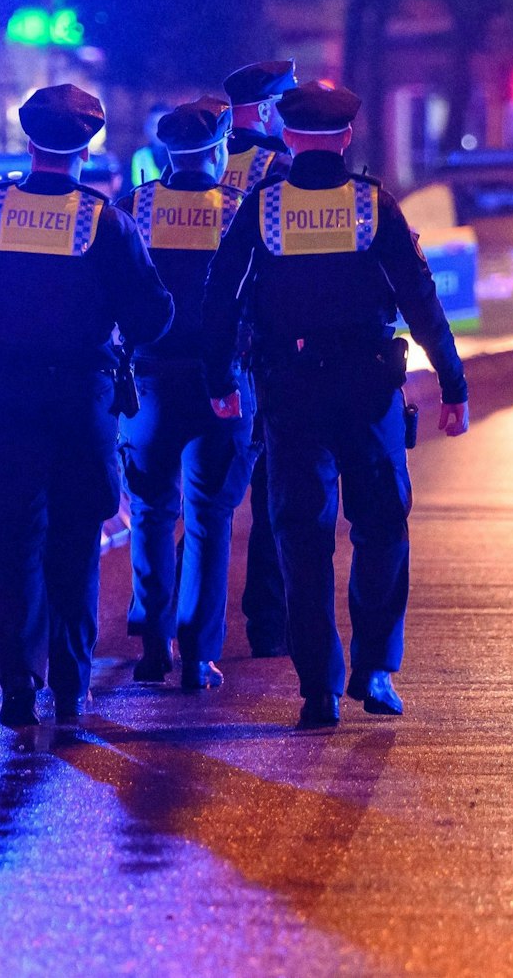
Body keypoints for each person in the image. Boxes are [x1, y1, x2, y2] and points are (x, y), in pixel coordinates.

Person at [201, 82, 469, 729]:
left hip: (289, 391)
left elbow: (220, 298)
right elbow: (420, 298)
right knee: (381, 525)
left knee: (301, 535)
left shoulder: (263, 209)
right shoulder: (374, 206)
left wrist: (219, 377)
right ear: (346, 137)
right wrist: (453, 382)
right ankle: (375, 670)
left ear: (289, 138)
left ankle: (318, 689)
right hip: (368, 389)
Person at [0, 84, 174, 729]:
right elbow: (152, 316)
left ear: (28, 144)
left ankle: (17, 688)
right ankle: (69, 688)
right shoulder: (105, 222)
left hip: (4, 399)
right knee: (75, 540)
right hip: (82, 401)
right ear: (85, 148)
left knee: (13, 541)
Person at [118, 98, 257, 690]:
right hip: (220, 383)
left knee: (150, 511)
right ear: (220, 151)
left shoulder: (136, 207)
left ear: (166, 155)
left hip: (148, 380)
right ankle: (198, 656)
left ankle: (154, 644)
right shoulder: (238, 209)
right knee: (209, 517)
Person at [222, 59, 299, 657]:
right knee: (275, 489)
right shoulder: (280, 170)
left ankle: (172, 617)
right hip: (260, 349)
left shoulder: (200, 161)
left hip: (196, 347)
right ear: (268, 111)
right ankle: (268, 622)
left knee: (205, 498)